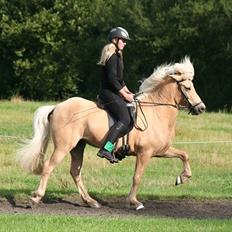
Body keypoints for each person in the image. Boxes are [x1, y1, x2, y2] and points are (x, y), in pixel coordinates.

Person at [97, 27, 134, 163]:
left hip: (114, 92)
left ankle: (117, 148)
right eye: (123, 40)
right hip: (108, 93)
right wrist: (124, 94)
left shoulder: (118, 55)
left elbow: (120, 80)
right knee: (124, 119)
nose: (125, 43)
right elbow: (112, 79)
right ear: (115, 40)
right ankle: (106, 149)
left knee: (130, 117)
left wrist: (129, 93)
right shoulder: (112, 55)